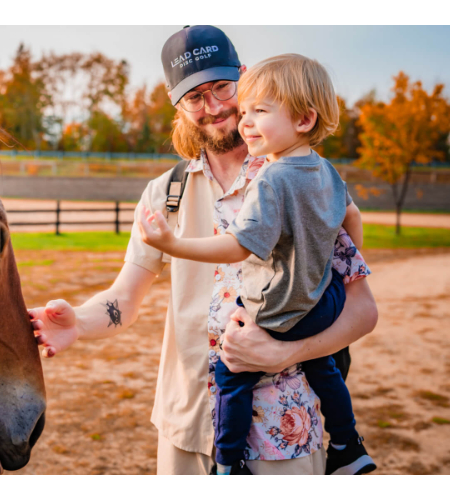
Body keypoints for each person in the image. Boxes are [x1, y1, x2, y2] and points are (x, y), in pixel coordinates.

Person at [29, 25, 378, 475]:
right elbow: (124, 299)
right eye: (194, 97)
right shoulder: (164, 194)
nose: (212, 107)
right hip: (186, 425)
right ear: (178, 106)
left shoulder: (307, 180)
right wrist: (78, 322)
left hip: (285, 430)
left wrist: (286, 353)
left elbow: (360, 310)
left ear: (245, 79)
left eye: (221, 88)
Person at [138, 53, 375, 475]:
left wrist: (173, 244)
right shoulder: (325, 171)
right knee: (323, 368)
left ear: (303, 120)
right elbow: (351, 218)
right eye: (245, 112)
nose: (243, 120)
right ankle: (348, 443)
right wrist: (324, 275)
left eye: (255, 110)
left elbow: (238, 246)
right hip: (318, 305)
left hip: (278, 311)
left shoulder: (272, 177)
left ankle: (227, 464)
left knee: (232, 374)